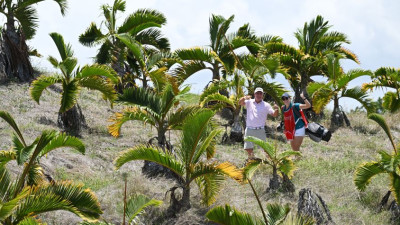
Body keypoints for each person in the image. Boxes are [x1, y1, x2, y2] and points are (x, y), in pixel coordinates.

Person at [239, 87, 279, 160]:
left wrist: (276, 109)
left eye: (260, 93)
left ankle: (270, 162)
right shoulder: (249, 102)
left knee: (264, 148)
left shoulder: (266, 105)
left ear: (262, 95)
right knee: (248, 148)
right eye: (257, 93)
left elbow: (274, 114)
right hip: (249, 129)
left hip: (260, 129)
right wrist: (244, 97)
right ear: (254, 94)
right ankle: (251, 159)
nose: (259, 95)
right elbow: (240, 103)